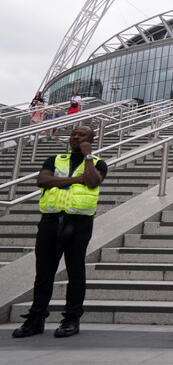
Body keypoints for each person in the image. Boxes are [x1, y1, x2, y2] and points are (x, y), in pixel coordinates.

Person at [12, 125, 107, 339]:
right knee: (44, 272)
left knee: (75, 271)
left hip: (79, 223)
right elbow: (43, 181)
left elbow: (92, 181)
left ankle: (71, 319)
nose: (76, 137)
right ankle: (36, 319)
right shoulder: (54, 159)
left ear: (91, 139)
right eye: (74, 134)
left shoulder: (97, 162)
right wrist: (75, 179)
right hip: (51, 221)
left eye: (82, 135)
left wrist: (88, 156)